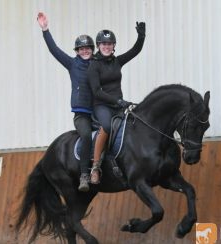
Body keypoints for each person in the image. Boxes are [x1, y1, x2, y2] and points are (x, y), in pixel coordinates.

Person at [37, 12, 94, 192]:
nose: (85, 51)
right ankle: (84, 174)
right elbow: (54, 50)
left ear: (92, 50)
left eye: (88, 48)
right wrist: (45, 30)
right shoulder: (72, 64)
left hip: (99, 111)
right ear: (77, 51)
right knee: (86, 136)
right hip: (82, 114)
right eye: (81, 49)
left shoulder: (98, 64)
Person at [88, 22, 146, 184]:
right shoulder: (93, 65)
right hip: (102, 106)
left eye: (109, 44)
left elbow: (135, 51)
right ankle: (95, 167)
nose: (106, 46)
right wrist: (118, 101)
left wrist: (141, 37)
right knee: (106, 127)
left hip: (118, 105)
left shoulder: (117, 61)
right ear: (98, 46)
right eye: (103, 44)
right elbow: (97, 92)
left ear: (114, 46)